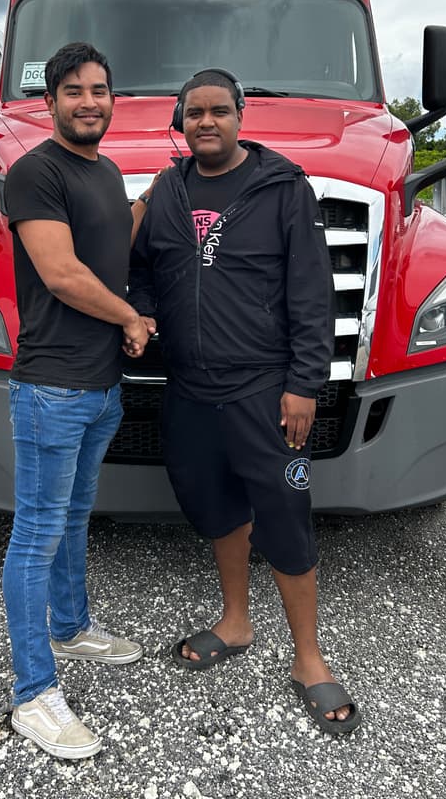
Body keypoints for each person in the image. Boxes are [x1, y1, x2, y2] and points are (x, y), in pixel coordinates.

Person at [129, 68, 360, 735]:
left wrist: (304, 385)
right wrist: (143, 309)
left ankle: (309, 658)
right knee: (216, 507)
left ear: (239, 117)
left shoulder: (283, 189)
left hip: (263, 389)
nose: (206, 122)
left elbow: (312, 292)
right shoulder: (167, 191)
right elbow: (140, 266)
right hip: (189, 388)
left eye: (219, 111)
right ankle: (235, 623)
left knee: (285, 515)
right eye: (194, 112)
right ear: (181, 121)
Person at [2, 41, 155, 760]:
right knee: (37, 533)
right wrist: (130, 319)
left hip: (99, 388)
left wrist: (157, 195)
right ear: (50, 101)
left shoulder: (106, 170)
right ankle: (33, 694)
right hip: (52, 388)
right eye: (74, 91)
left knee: (71, 518)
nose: (89, 102)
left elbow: (111, 240)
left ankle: (69, 627)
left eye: (99, 90)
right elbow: (62, 273)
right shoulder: (35, 172)